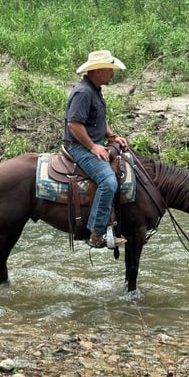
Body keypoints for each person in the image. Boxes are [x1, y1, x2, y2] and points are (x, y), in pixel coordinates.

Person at [62, 50, 130, 248]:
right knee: (108, 181)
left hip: (92, 142)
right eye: (110, 70)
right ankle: (96, 233)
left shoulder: (95, 89)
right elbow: (74, 124)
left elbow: (98, 120)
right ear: (98, 71)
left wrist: (111, 136)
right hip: (78, 147)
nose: (112, 74)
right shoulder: (84, 93)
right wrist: (92, 146)